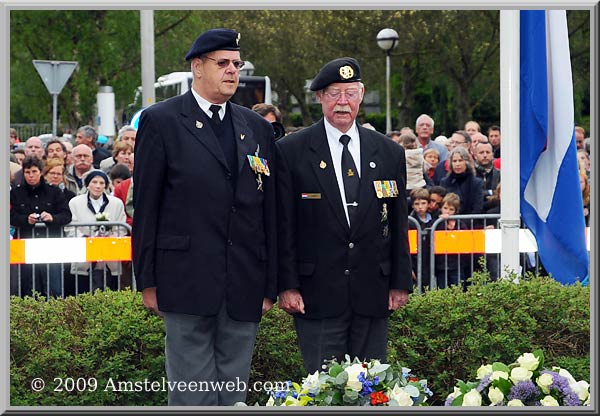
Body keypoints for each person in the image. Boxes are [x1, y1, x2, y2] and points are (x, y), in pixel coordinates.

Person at [132, 28, 277, 406]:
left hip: (244, 282)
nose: (233, 71)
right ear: (198, 67)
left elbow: (268, 212)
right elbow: (147, 206)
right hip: (185, 279)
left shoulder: (257, 127)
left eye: (237, 64)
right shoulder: (161, 120)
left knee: (234, 396)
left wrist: (270, 282)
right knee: (192, 396)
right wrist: (147, 279)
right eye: (223, 63)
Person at [275, 57, 413, 374]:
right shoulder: (291, 150)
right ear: (320, 97)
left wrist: (399, 281)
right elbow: (284, 225)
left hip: (372, 293)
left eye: (350, 93)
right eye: (334, 93)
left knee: (371, 386)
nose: (342, 102)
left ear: (361, 95)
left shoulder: (389, 152)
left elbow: (396, 220)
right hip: (316, 296)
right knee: (323, 389)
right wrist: (287, 285)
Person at [10, 156, 72, 297]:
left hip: (50, 246)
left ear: (41, 172)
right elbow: (11, 217)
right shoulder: (16, 193)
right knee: (30, 288)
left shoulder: (54, 192)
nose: (31, 176)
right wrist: (26, 220)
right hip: (26, 246)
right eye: (27, 172)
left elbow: (66, 215)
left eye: (34, 172)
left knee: (54, 288)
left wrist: (52, 218)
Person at [67, 170, 126, 293]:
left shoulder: (117, 203)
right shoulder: (75, 202)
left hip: (109, 255)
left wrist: (111, 239)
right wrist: (86, 238)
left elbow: (122, 227)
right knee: (82, 293)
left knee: (110, 293)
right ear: (88, 184)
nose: (98, 186)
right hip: (84, 256)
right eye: (94, 182)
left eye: (101, 183)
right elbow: (70, 227)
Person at [434, 192, 469, 289]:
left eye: (451, 209)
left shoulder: (460, 224)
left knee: (458, 289)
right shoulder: (437, 224)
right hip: (441, 264)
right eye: (445, 208)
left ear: (456, 211)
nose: (447, 212)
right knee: (442, 289)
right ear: (441, 208)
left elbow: (464, 240)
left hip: (457, 264)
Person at [439, 146, 484, 217]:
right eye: (454, 161)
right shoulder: (444, 182)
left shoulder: (477, 183)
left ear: (466, 162)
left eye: (460, 160)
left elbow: (477, 208)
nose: (457, 164)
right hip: (449, 224)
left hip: (470, 224)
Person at [408, 187, 436, 291]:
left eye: (423, 203)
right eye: (417, 204)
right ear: (412, 205)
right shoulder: (410, 222)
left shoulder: (434, 219)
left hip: (429, 259)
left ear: (429, 204)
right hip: (415, 261)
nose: (420, 207)